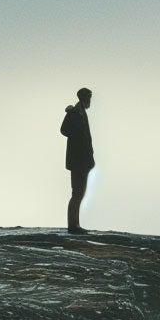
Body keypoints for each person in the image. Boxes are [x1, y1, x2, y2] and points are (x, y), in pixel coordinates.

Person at [61, 87, 95, 232]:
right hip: (77, 161)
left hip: (84, 161)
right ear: (84, 98)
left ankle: (75, 224)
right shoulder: (74, 113)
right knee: (77, 193)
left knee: (79, 194)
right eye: (88, 98)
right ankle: (73, 225)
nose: (90, 101)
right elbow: (64, 130)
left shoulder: (81, 113)